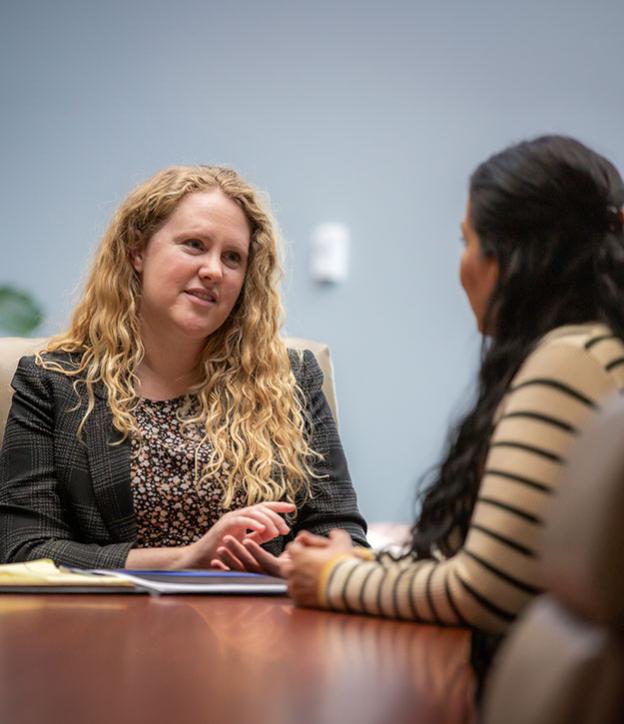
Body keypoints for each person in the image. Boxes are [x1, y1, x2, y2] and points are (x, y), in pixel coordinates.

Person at [276, 135, 624, 677]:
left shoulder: (568, 361)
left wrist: (331, 578)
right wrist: (360, 563)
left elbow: (486, 590)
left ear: (510, 257)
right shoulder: (599, 349)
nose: (462, 265)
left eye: (467, 241)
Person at [0, 165, 367, 571]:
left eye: (233, 257)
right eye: (194, 244)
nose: (214, 271)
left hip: (260, 622)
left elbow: (341, 533)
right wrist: (186, 558)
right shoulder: (53, 381)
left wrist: (300, 566)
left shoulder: (291, 378)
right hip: (113, 626)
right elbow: (24, 550)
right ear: (137, 251)